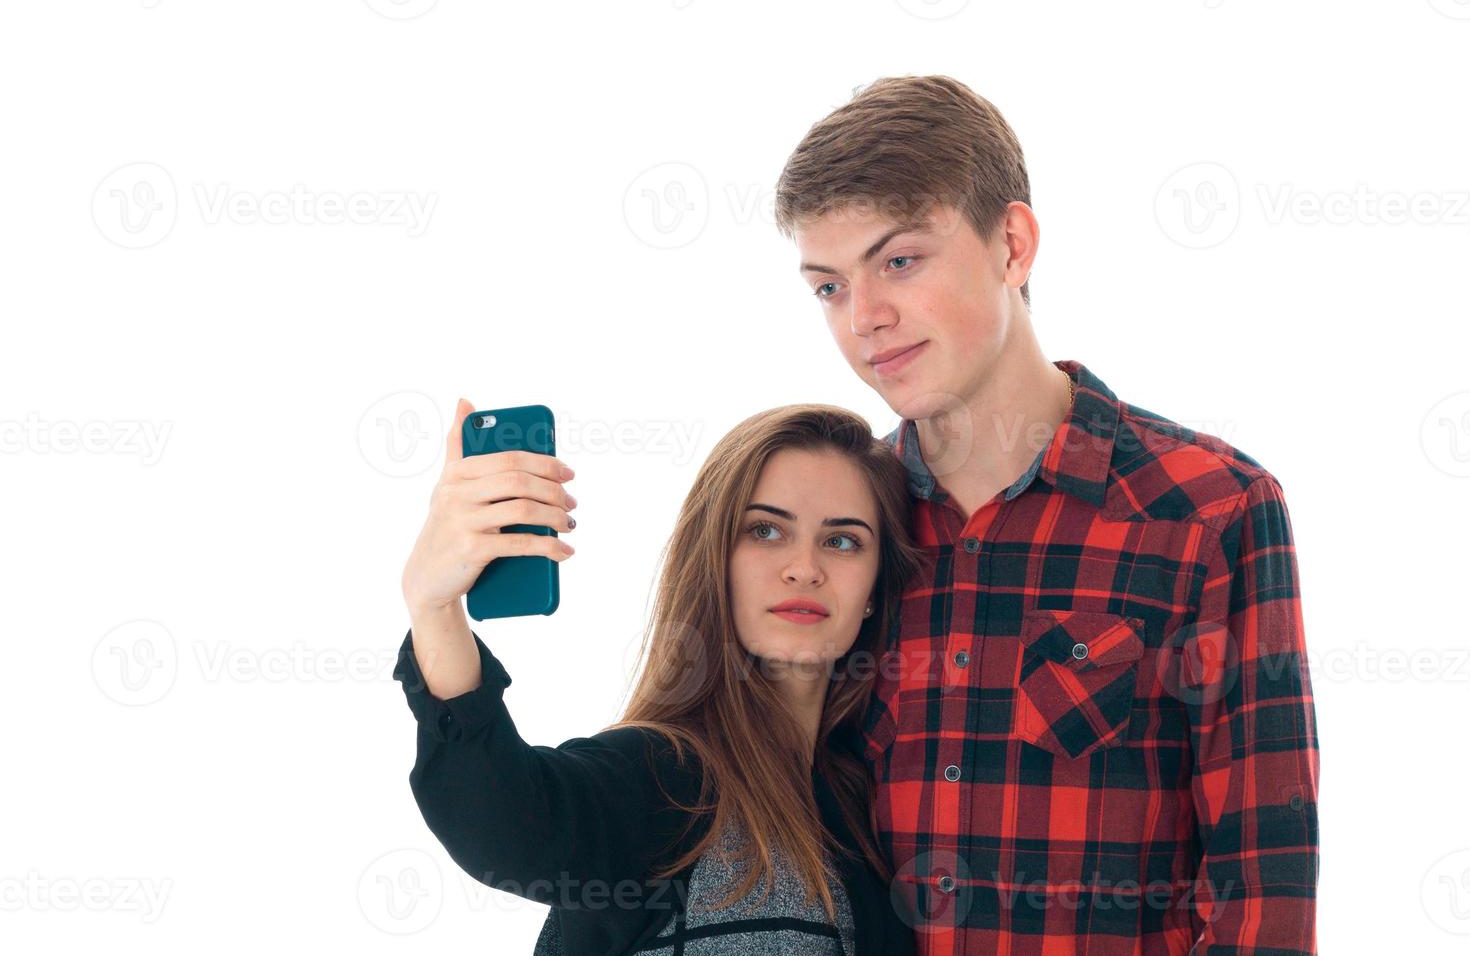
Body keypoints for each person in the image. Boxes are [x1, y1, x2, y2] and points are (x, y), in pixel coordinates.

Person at [772, 74, 1321, 953]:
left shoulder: (1209, 511)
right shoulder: (836, 529)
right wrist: (461, 607)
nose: (865, 319)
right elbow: (695, 778)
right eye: (828, 287)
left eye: (900, 261)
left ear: (1013, 245)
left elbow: (1265, 895)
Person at [393, 400, 924, 955]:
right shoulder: (666, 776)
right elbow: (503, 825)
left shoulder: (868, 796)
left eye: (842, 541)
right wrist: (434, 608)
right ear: (715, 559)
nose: (805, 567)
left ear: (874, 589)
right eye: (766, 530)